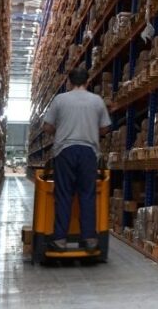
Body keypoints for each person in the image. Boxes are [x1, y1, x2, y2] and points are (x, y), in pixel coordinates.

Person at [42, 68, 112, 251]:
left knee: (64, 194)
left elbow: (47, 127)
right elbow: (105, 128)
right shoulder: (96, 101)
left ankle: (60, 240)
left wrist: (63, 128)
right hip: (88, 152)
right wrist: (89, 129)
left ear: (69, 82)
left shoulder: (60, 99)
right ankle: (89, 238)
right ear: (87, 82)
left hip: (65, 151)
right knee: (87, 195)